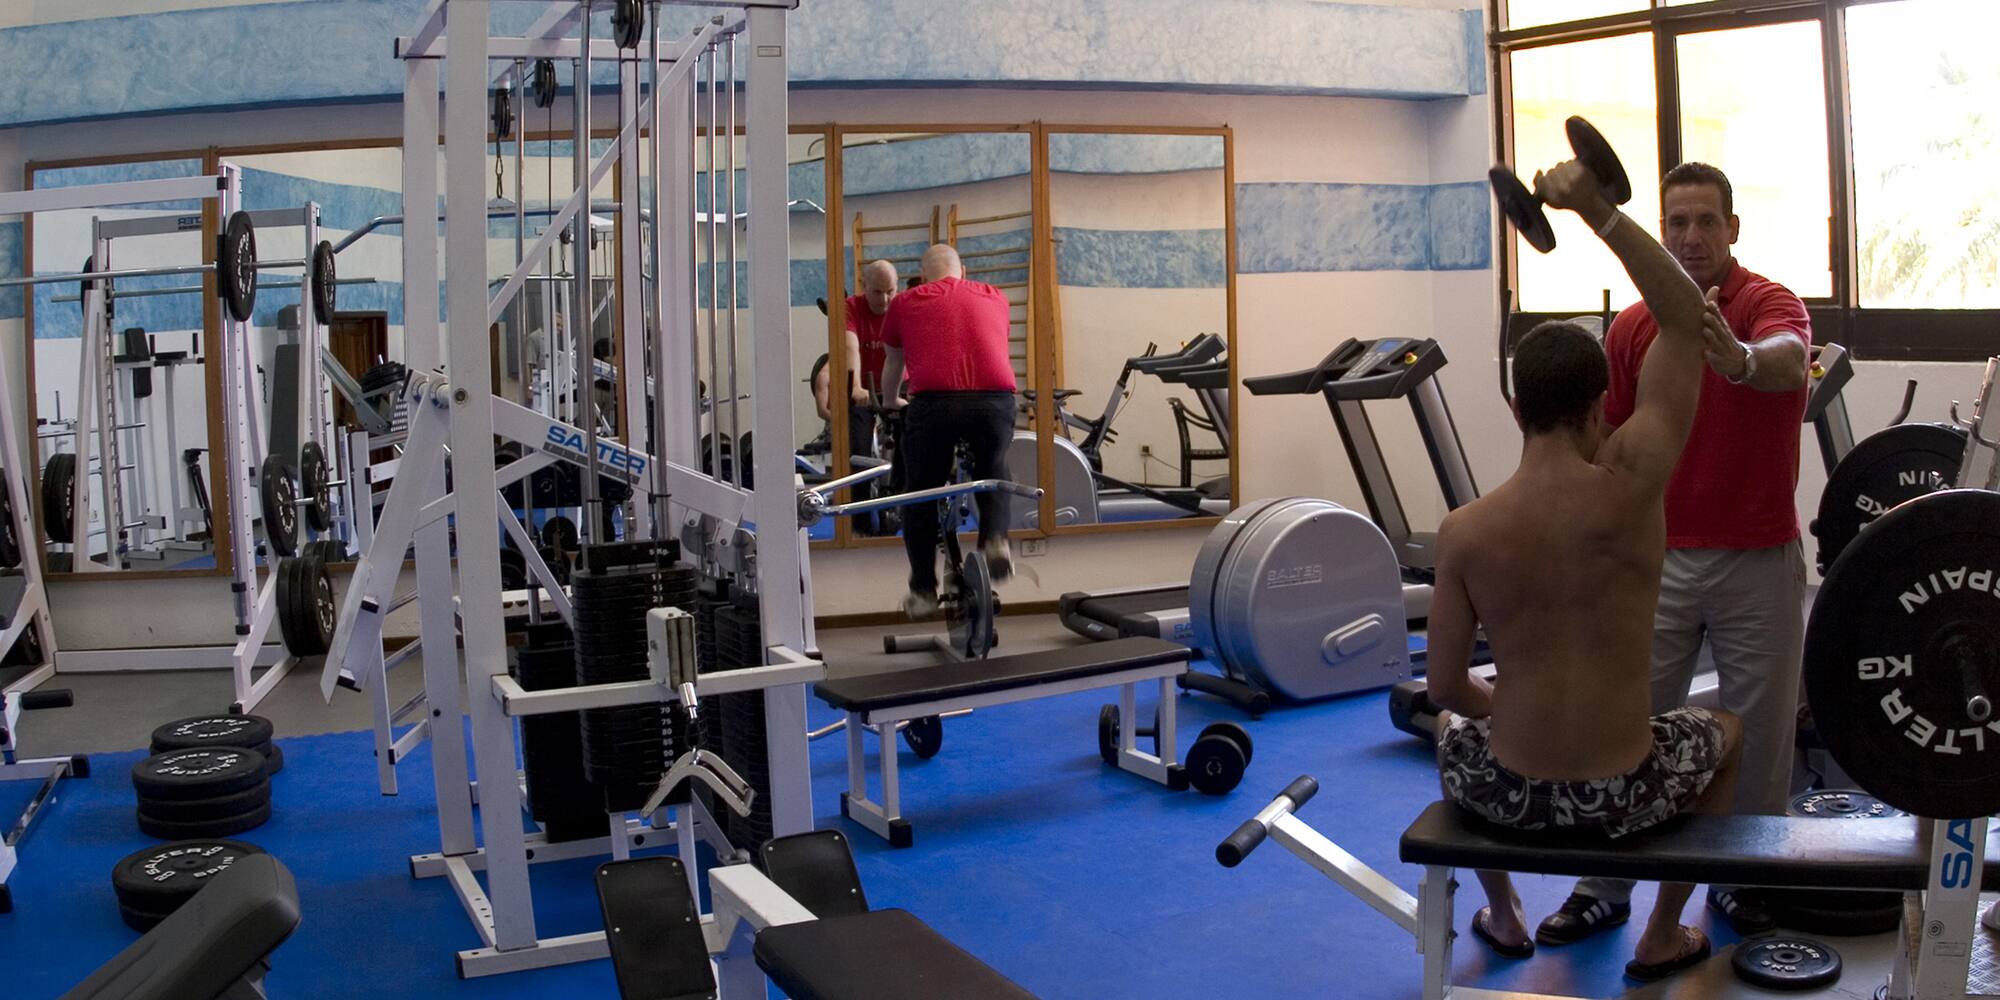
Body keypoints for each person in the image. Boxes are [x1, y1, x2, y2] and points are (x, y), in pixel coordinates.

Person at [1425, 155, 1744, 982]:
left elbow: (1447, 689)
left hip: (1511, 796)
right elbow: (1684, 323)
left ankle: (1502, 911)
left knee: (1451, 736)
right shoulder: (1633, 488)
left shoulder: (1463, 532)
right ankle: (1662, 932)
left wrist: (1509, 713)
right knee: (1728, 732)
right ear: (1604, 404)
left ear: (1514, 407)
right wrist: (1598, 212)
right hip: (1626, 794)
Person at [1539, 162, 1811, 946]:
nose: (1691, 237)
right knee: (1625, 718)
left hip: (1757, 555)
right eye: (1677, 224)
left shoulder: (1767, 303)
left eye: (1705, 222)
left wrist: (1740, 361)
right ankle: (1605, 884)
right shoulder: (1633, 327)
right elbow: (1609, 442)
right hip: (1656, 557)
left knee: (1756, 734)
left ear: (1733, 229)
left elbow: (1789, 358)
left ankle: (1745, 878)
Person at [878, 244, 1018, 617]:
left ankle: (923, 589)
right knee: (994, 469)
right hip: (994, 401)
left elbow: (894, 363)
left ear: (923, 277)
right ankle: (996, 541)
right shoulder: (996, 297)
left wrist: (890, 401)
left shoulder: (906, 301)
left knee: (919, 494)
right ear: (964, 271)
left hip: (935, 404)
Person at [846, 259, 900, 399]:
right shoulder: (850, 307)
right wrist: (855, 387)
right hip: (862, 387)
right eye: (877, 292)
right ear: (865, 286)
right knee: (850, 418)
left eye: (890, 291)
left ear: (897, 286)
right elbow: (849, 347)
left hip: (898, 386)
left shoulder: (905, 306)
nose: (884, 300)